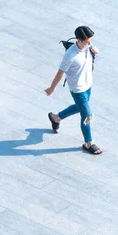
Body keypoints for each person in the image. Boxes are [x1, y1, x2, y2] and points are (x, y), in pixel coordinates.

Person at [45, 26, 102, 155]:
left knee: (79, 107)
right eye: (87, 41)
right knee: (87, 115)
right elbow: (60, 73)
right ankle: (89, 143)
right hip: (78, 89)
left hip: (88, 85)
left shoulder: (87, 47)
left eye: (91, 40)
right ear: (79, 40)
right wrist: (51, 88)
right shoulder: (70, 55)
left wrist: (94, 52)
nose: (90, 43)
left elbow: (88, 55)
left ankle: (56, 118)